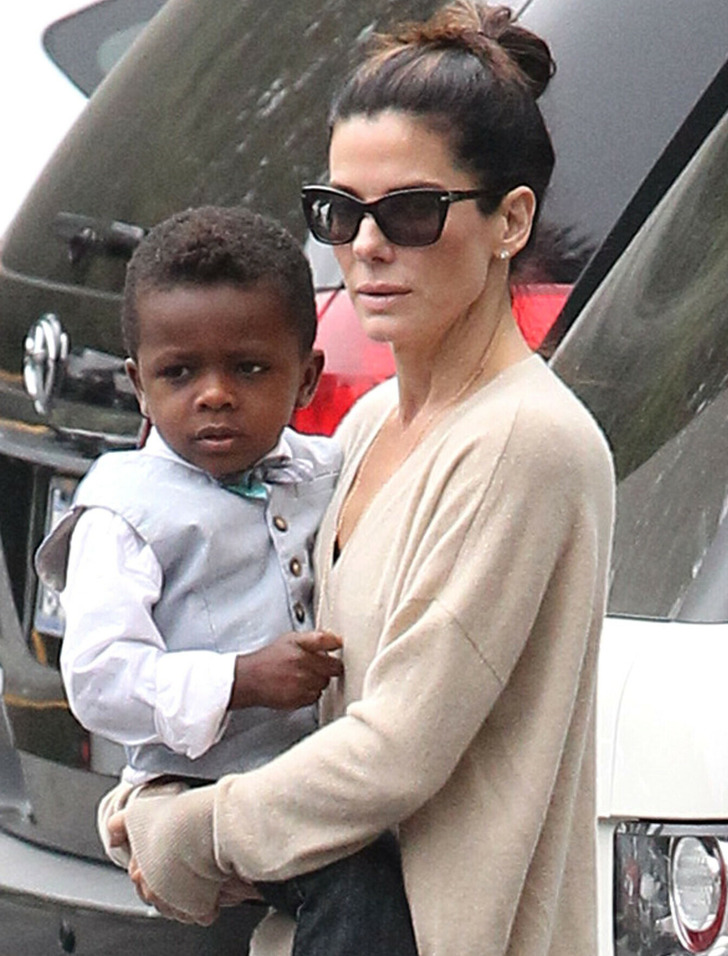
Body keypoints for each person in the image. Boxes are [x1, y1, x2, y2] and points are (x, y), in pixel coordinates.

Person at [105, 4, 616, 955]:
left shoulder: (527, 442)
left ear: (510, 220)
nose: (368, 245)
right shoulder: (371, 420)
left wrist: (192, 832)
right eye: (339, 212)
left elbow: (396, 750)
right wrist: (149, 793)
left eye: (412, 212)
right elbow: (288, 680)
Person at [35, 206, 418, 956]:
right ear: (139, 384)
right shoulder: (125, 511)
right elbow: (98, 679)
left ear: (305, 377)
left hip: (322, 779)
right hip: (198, 792)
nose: (214, 394)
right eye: (179, 373)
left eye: (249, 368)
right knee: (354, 884)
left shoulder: (328, 472)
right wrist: (238, 680)